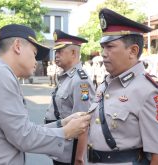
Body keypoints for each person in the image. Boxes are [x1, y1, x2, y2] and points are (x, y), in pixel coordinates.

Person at [0, 24, 91, 164]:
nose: (36, 61)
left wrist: (62, 124)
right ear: (17, 46)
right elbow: (23, 136)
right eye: (34, 54)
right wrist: (66, 132)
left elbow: (21, 129)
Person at [85, 8, 158, 165]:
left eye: (110, 47)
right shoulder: (105, 85)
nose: (103, 53)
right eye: (102, 47)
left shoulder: (149, 91)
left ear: (133, 51)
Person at [45, 29, 95, 165]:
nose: (56, 55)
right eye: (56, 51)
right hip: (60, 146)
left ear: (73, 53)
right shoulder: (65, 77)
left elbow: (84, 122)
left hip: (70, 152)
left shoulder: (80, 80)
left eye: (60, 51)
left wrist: (79, 158)